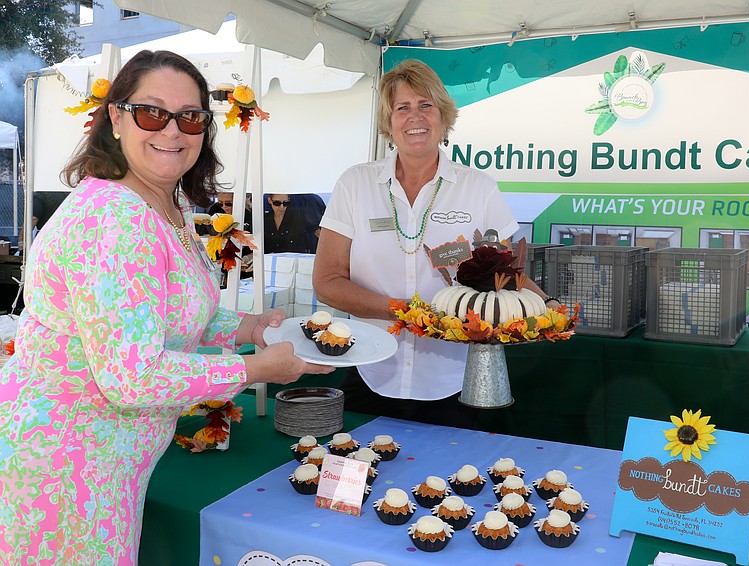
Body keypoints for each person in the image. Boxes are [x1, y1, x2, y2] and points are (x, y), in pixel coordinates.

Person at [0, 50, 333, 564]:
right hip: (63, 467)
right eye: (152, 112)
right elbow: (132, 378)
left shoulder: (163, 203)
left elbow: (166, 311)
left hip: (101, 462)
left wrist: (250, 326)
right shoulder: (116, 219)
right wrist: (255, 368)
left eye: (191, 116)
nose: (172, 130)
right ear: (116, 116)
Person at [313, 59, 557, 429]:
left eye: (426, 105)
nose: (416, 117)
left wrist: (548, 306)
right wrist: (404, 313)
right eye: (403, 108)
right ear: (388, 122)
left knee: (453, 480)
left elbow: (506, 275)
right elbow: (327, 282)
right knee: (360, 475)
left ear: (443, 117)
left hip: (454, 380)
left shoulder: (478, 188)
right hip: (369, 371)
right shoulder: (355, 184)